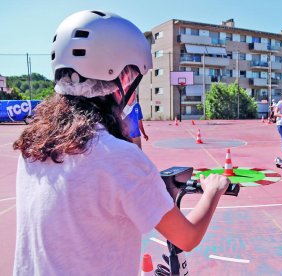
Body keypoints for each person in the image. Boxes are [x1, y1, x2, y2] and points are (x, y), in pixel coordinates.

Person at [12, 10, 230, 276]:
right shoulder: (117, 157)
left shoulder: (34, 146)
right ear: (116, 79)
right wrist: (213, 190)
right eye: (131, 78)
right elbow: (188, 237)